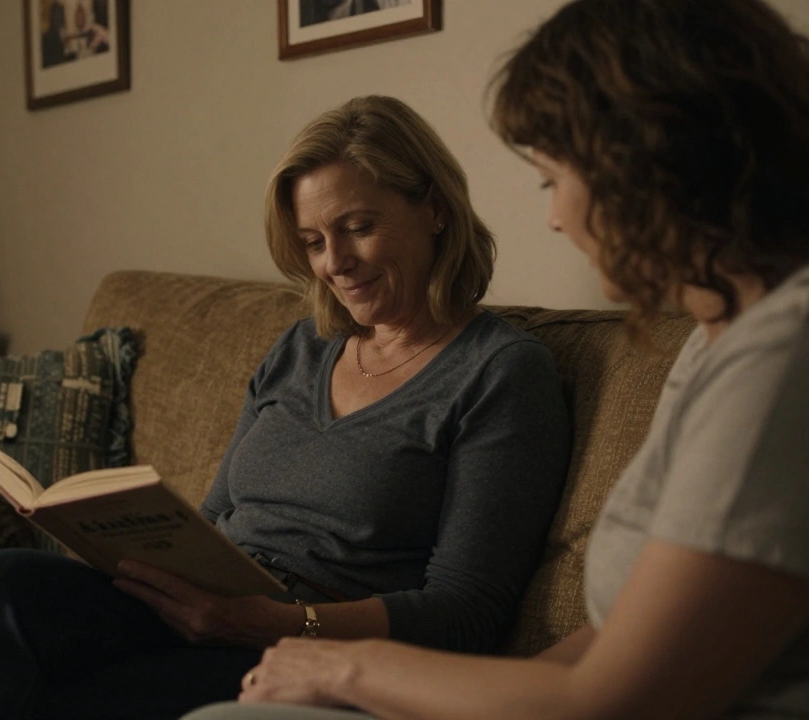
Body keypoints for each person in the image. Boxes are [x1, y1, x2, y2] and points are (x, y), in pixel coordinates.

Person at [185, 1, 809, 718]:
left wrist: (338, 663)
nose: (554, 217)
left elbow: (614, 697)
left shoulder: (780, 359)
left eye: (553, 178)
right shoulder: (715, 342)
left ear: (649, 163)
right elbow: (614, 643)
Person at [0, 95, 572, 720]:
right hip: (198, 610)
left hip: (304, 647)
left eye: (359, 226)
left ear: (436, 210)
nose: (335, 263)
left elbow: (465, 613)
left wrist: (275, 621)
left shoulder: (500, 372)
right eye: (314, 242)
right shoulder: (301, 347)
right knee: (0, 580)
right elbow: (212, 519)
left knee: (59, 700)